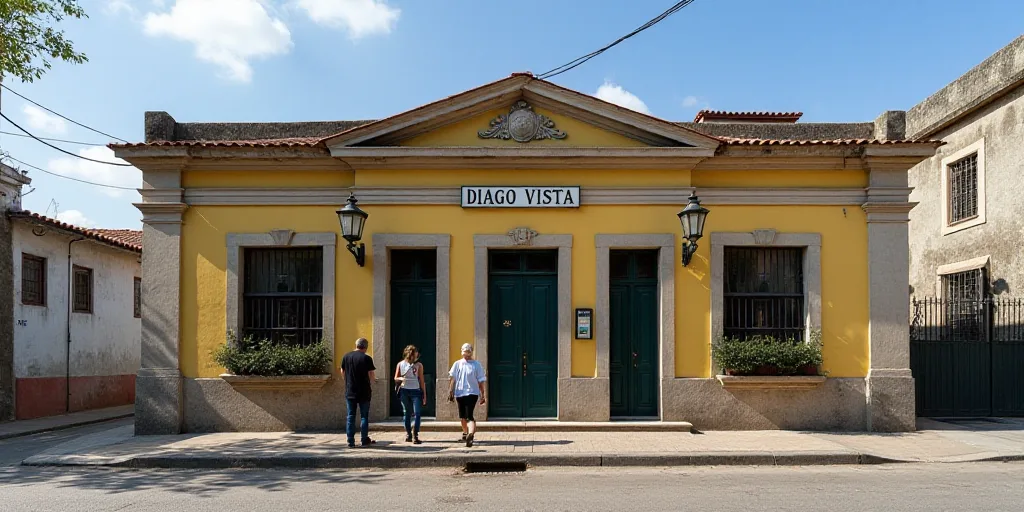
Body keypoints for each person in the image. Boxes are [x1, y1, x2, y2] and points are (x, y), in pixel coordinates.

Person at [448, 343, 486, 447]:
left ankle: (467, 434)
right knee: (467, 416)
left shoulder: (460, 364)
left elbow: (452, 378)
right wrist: (483, 395)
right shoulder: (475, 365)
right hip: (467, 393)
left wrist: (450, 390)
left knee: (464, 416)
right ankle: (468, 434)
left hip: (465, 393)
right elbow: (481, 382)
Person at [341, 337, 376, 448]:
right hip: (364, 391)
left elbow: (342, 371)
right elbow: (371, 374)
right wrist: (373, 382)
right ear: (365, 347)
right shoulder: (367, 358)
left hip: (350, 390)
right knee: (364, 416)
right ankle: (364, 440)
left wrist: (347, 381)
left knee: (351, 416)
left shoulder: (346, 356)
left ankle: (350, 441)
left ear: (356, 345)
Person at [394, 344, 427, 444]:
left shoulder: (419, 365)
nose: (417, 355)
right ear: (411, 354)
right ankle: (408, 434)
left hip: (416, 391)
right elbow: (396, 378)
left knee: (417, 413)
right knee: (406, 413)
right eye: (416, 353)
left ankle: (415, 434)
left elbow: (422, 380)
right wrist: (400, 378)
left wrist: (424, 394)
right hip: (404, 390)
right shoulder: (400, 364)